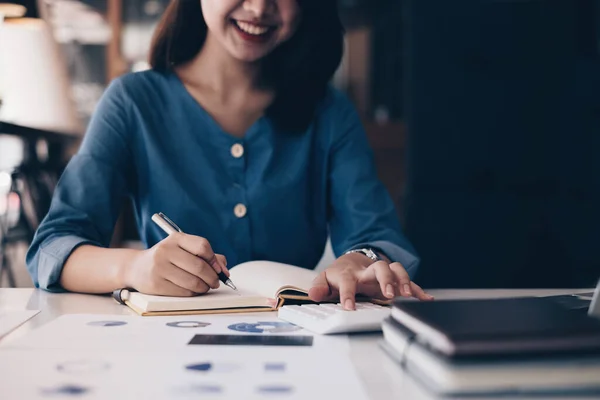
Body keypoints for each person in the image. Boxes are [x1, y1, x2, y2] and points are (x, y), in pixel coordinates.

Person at [26, 0, 432, 310]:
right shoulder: (133, 102)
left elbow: (378, 237)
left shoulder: (329, 112)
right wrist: (134, 268)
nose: (259, 8)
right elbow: (54, 246)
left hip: (299, 346)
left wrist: (358, 261)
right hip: (164, 345)